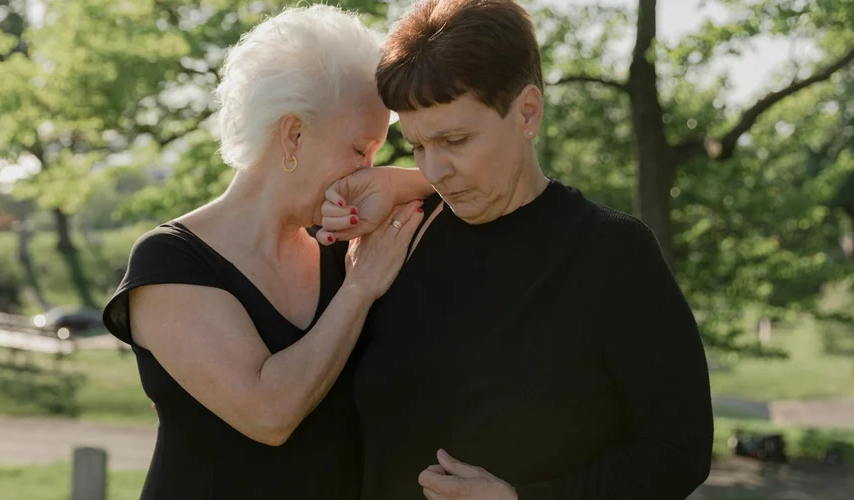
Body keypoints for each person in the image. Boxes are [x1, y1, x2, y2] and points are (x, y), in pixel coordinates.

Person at [319, 0, 714, 498]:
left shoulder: (612, 254)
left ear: (527, 111)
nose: (436, 170)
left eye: (456, 140)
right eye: (418, 147)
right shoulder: (392, 238)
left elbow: (680, 450)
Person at [100, 5, 429, 499]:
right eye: (362, 149)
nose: (368, 170)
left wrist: (398, 182)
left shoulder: (347, 244)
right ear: (293, 134)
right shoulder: (168, 262)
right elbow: (269, 413)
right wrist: (358, 291)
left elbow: (483, 194)